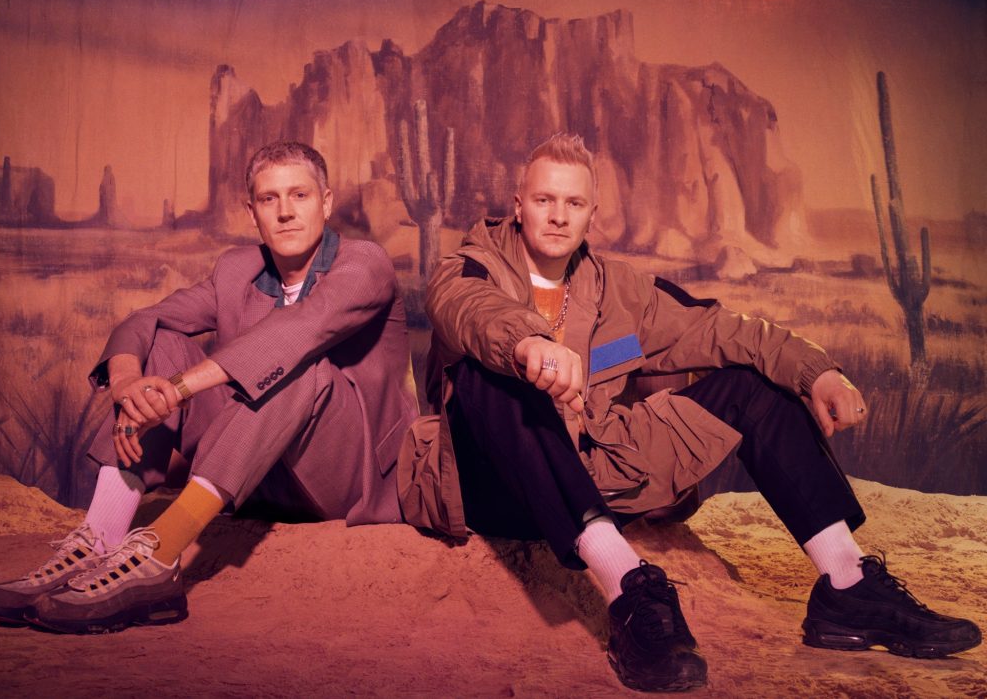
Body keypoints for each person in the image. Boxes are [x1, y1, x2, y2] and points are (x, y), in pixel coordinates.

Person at [401, 133, 981, 692]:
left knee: (754, 383)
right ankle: (630, 590)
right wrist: (528, 344)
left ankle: (847, 585)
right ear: (518, 206)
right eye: (544, 200)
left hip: (590, 470)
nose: (557, 216)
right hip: (490, 485)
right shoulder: (470, 267)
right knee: (492, 374)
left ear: (591, 214)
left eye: (573, 203)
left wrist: (817, 372)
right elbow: (466, 309)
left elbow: (718, 328)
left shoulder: (618, 291)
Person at [0, 141, 418, 634]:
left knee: (297, 363)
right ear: (252, 212)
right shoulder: (238, 270)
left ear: (326, 202)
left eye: (300, 195)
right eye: (269, 199)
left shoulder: (365, 263)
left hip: (346, 476)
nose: (285, 212)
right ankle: (96, 540)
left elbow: (299, 331)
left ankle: (157, 559)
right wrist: (128, 385)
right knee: (163, 344)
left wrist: (179, 388)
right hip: (258, 476)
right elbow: (147, 319)